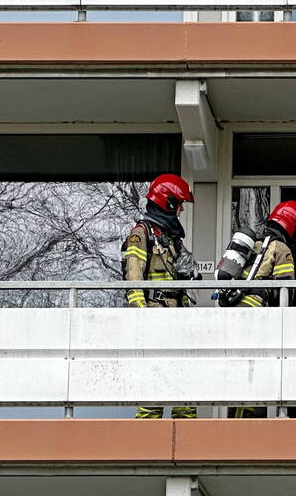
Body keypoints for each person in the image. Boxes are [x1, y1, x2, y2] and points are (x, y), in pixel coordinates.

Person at [222, 200, 296, 418]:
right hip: (257, 318)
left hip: (235, 316)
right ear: (293, 227)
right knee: (254, 373)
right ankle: (247, 418)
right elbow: (285, 291)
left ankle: (237, 417)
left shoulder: (254, 243)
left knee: (240, 372)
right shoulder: (281, 249)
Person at [123, 174, 196, 420]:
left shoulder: (173, 238)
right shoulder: (141, 233)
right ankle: (146, 439)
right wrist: (141, 319)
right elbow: (134, 281)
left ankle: (186, 436)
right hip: (154, 320)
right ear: (169, 202)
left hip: (178, 322)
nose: (182, 209)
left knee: (184, 391)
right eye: (180, 204)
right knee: (152, 387)